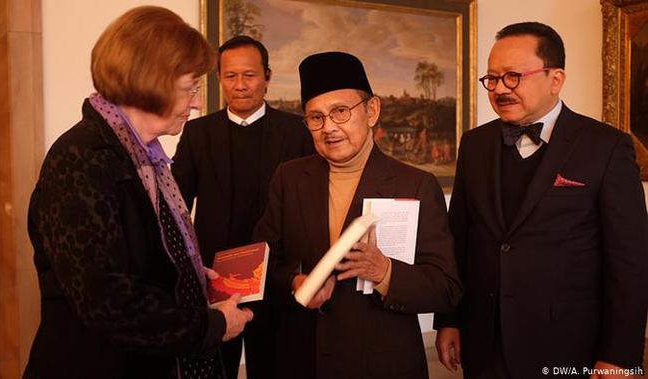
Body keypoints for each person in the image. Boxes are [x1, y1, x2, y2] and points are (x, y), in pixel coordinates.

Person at [24, 6, 253, 379]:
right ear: (150, 82)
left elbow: (143, 256)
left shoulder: (143, 158)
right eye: (190, 89)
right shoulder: (81, 159)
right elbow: (107, 301)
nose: (197, 103)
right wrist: (210, 327)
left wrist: (189, 274)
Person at [434, 22, 648, 379]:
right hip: (484, 342)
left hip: (568, 346)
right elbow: (460, 241)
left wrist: (619, 357)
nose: (500, 89)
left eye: (513, 76)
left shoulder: (606, 147)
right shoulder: (474, 144)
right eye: (492, 78)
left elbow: (630, 262)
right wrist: (449, 320)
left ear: (555, 79)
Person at [253, 51, 463, 379]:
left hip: (383, 361)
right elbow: (263, 263)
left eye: (340, 112)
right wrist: (295, 281)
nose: (329, 128)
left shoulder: (416, 184)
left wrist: (385, 273)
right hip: (303, 356)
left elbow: (445, 287)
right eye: (316, 117)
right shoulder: (290, 177)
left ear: (372, 111)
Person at [171, 35, 314, 379]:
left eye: (249, 75)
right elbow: (176, 206)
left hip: (278, 278)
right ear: (219, 78)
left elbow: (309, 206)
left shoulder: (296, 131)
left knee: (277, 368)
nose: (240, 85)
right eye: (230, 76)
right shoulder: (197, 132)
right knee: (215, 369)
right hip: (216, 283)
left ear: (267, 76)